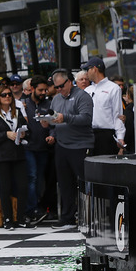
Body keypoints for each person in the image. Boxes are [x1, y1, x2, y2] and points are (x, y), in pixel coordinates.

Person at [43, 69, 93, 229]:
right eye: (56, 87)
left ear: (69, 82)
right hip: (62, 145)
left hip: (80, 145)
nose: (58, 90)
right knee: (64, 183)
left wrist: (66, 117)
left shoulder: (82, 96)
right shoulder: (56, 99)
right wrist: (47, 124)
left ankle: (89, 215)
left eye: (60, 86)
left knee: (85, 182)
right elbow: (54, 121)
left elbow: (86, 118)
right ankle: (67, 216)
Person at [0, 86, 30, 229]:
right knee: (5, 187)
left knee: (22, 186)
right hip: (1, 156)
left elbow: (27, 127)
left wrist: (23, 133)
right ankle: (8, 219)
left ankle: (20, 217)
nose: (7, 97)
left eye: (9, 94)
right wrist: (5, 134)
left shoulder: (18, 112)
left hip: (18, 154)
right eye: (4, 95)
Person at [21, 75, 54, 223]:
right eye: (40, 90)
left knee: (40, 179)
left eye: (45, 90)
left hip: (43, 148)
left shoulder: (48, 104)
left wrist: (51, 133)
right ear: (32, 89)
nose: (43, 93)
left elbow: (54, 124)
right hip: (28, 147)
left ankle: (40, 207)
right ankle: (31, 209)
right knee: (32, 177)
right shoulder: (23, 104)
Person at [81, 57, 125, 155]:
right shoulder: (87, 90)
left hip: (106, 135)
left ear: (94, 69)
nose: (86, 73)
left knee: (106, 167)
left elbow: (117, 115)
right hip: (88, 134)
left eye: (87, 69)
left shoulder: (113, 88)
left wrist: (120, 137)